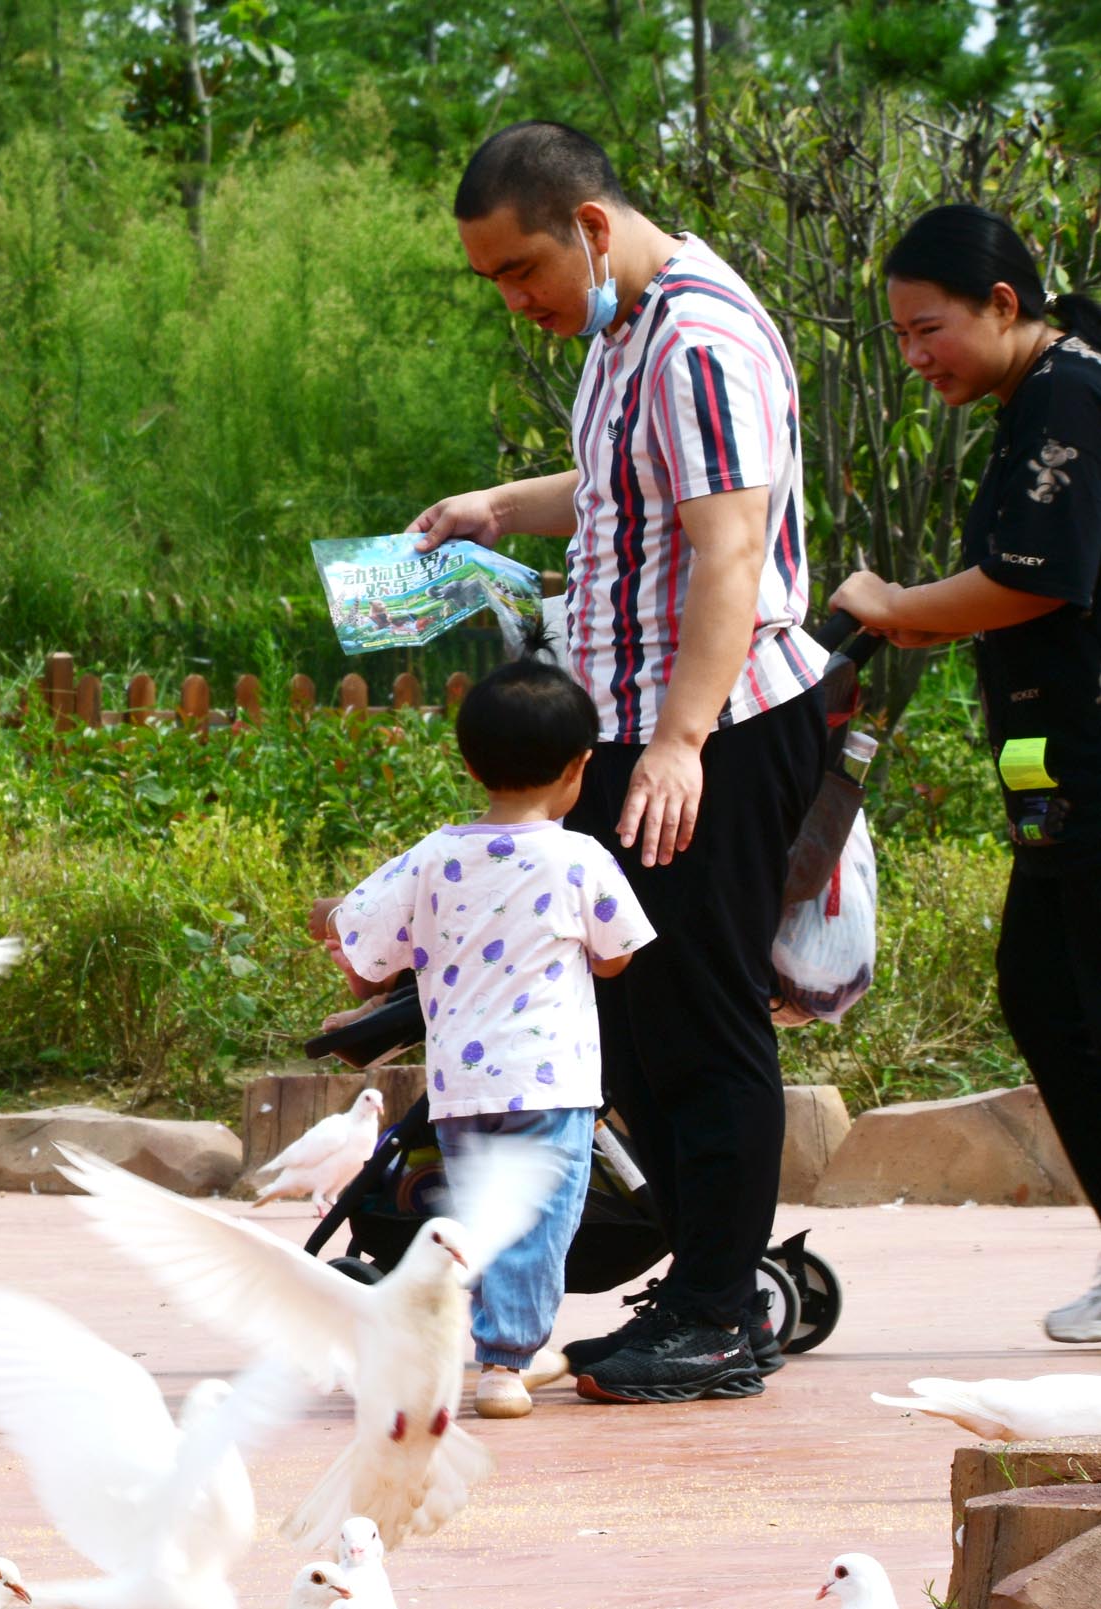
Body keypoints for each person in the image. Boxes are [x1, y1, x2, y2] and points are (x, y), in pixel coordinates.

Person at [413, 119, 831, 1403]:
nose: (515, 299)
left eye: (521, 269)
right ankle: (701, 1286)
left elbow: (730, 548)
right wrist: (499, 506)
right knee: (640, 1030)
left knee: (700, 1020)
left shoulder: (697, 335)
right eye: (492, 279)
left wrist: (683, 740)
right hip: (636, 725)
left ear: (589, 227)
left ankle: (718, 1315)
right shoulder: (622, 331)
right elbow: (618, 489)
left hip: (713, 729)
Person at [826, 205, 1101, 1341]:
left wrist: (898, 603)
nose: (913, 356)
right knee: (1045, 989)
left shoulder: (1068, 392)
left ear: (1002, 303)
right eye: (898, 335)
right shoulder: (1040, 396)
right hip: (1058, 770)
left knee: (1064, 993)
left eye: (926, 327)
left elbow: (1037, 576)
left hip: (1092, 765)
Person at [317, 658, 656, 1418]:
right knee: (538, 1224)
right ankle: (504, 1363)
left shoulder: (433, 855)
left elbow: (365, 945)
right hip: (551, 1084)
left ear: (470, 765)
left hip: (462, 1091)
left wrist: (345, 941)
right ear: (579, 768)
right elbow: (617, 956)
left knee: (481, 1220)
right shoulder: (580, 858)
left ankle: (462, 1343)